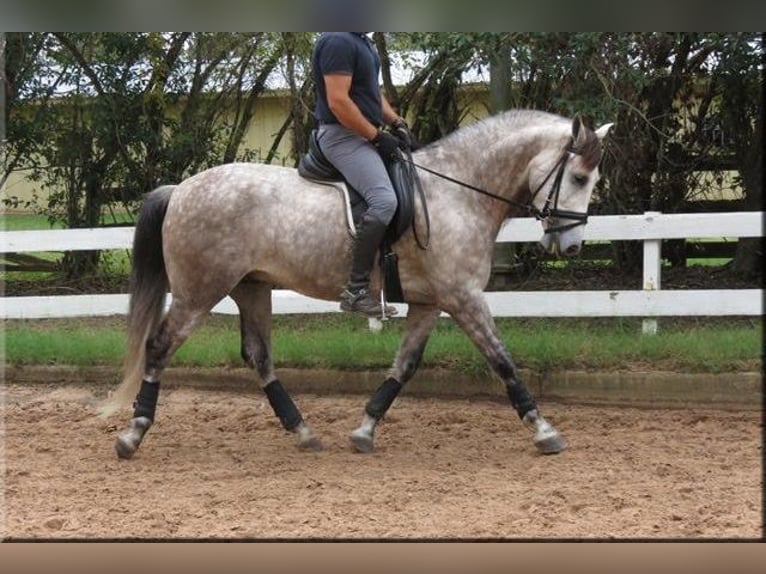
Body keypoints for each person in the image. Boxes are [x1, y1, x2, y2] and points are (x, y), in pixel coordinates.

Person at [311, 32, 413, 317]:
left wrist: (396, 121)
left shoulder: (362, 42)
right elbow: (338, 102)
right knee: (384, 201)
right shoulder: (338, 41)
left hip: (361, 134)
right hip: (341, 136)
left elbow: (370, 92)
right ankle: (356, 290)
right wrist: (376, 136)